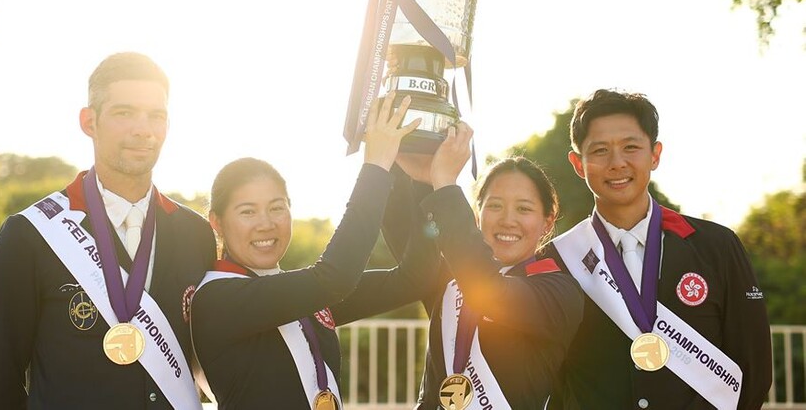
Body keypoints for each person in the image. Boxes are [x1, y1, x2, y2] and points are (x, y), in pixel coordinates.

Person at [0, 52, 217, 409]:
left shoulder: (196, 234)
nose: (143, 129)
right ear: (89, 121)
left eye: (156, 116)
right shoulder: (29, 236)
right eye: (124, 113)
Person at [189, 93, 442, 409]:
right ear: (217, 222)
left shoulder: (300, 295)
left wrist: (422, 181)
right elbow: (335, 276)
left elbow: (414, 278)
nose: (266, 224)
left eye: (277, 208)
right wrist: (375, 166)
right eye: (248, 212)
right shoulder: (218, 298)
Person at [544, 88, 772, 410]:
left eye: (631, 147)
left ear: (655, 154)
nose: (617, 163)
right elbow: (552, 381)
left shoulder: (717, 247)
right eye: (599, 151)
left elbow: (753, 372)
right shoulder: (559, 260)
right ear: (578, 164)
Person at [383, 123, 585, 410]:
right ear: (477, 214)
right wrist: (418, 174)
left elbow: (489, 291)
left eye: (524, 209)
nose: (507, 220)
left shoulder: (559, 290)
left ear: (547, 222)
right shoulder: (452, 280)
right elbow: (401, 229)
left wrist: (445, 183)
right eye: (495, 206)